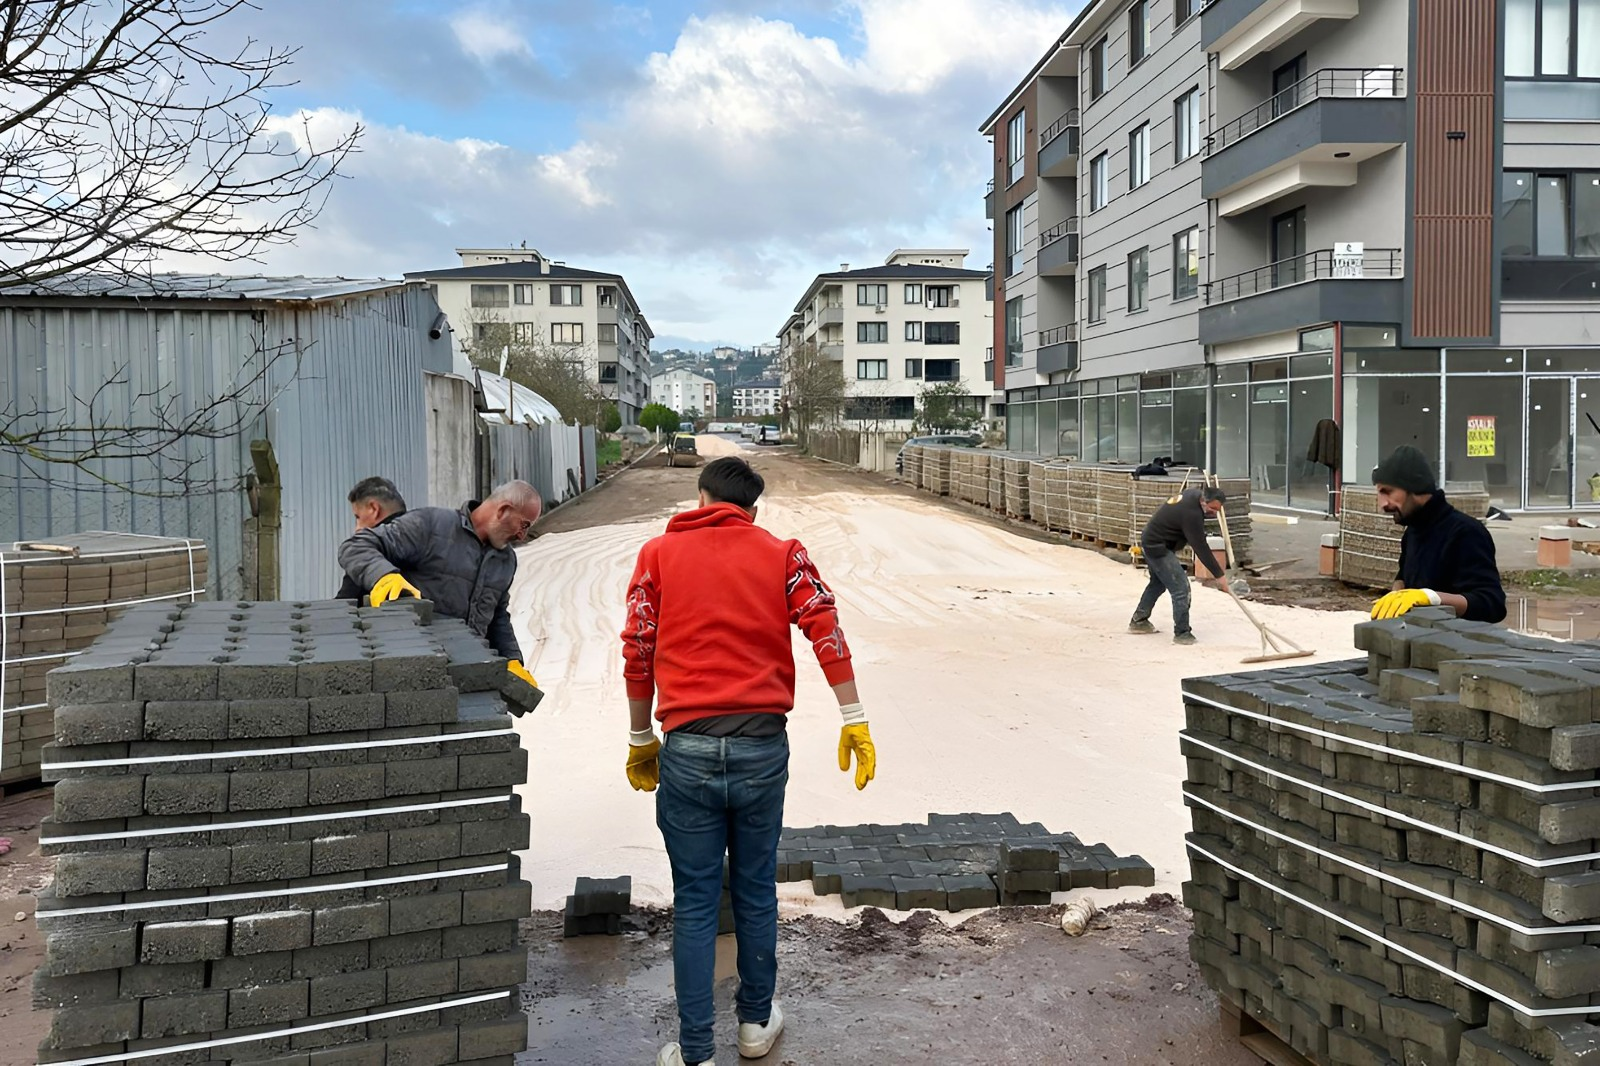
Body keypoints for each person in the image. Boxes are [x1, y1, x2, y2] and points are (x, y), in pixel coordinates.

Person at [619, 456, 876, 1066]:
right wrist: (854, 717)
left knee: (697, 900)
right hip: (762, 747)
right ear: (750, 508)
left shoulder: (658, 555)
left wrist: (638, 737)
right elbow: (825, 626)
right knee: (757, 890)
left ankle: (696, 1051)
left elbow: (638, 647)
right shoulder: (783, 553)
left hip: (689, 748)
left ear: (700, 497)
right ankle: (756, 1026)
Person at [337, 480, 541, 684]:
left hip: (465, 678)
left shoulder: (506, 561)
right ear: (503, 510)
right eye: (523, 525)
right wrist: (383, 576)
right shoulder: (430, 526)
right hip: (410, 673)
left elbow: (497, 616)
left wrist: (512, 658)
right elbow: (356, 546)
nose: (522, 536)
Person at [1369, 445, 1506, 623]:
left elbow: (1492, 605)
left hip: (1462, 645)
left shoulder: (1466, 533)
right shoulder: (1412, 531)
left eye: (1387, 492)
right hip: (1420, 640)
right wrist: (1397, 594)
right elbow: (1404, 575)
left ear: (1415, 488)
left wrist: (1432, 599)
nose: (1383, 504)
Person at [1128, 485, 1229, 645]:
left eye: (1218, 510)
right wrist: (1219, 575)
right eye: (1213, 508)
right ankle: (1182, 633)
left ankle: (1139, 621)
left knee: (1158, 584)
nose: (1214, 513)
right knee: (1181, 588)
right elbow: (1200, 546)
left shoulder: (1194, 495)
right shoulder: (1192, 513)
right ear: (1204, 501)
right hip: (1157, 547)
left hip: (1153, 541)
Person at [335, 477, 407, 601]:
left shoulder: (367, 553)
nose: (357, 529)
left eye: (357, 517)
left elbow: (344, 606)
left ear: (374, 509)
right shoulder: (423, 538)